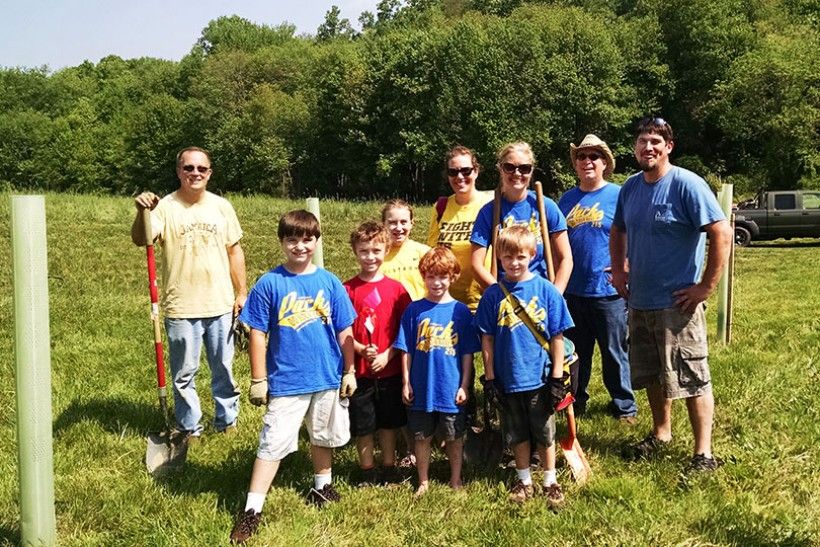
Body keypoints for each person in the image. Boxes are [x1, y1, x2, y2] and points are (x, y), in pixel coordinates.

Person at [610, 117, 732, 473]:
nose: (648, 147)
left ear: (668, 147)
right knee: (651, 374)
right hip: (640, 300)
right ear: (635, 147)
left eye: (655, 141)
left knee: (692, 376)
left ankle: (703, 454)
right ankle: (661, 433)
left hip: (678, 303)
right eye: (642, 141)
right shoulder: (630, 187)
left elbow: (722, 233)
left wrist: (705, 287)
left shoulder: (687, 184)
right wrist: (618, 271)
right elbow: (617, 230)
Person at [229, 210, 357, 544]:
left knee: (322, 435)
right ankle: (252, 509)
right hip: (287, 379)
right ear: (282, 242)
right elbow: (257, 332)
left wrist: (350, 370)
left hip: (327, 376)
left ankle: (322, 487)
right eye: (292, 239)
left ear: (316, 241)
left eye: (306, 239)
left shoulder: (329, 281)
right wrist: (259, 379)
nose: (300, 246)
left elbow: (345, 329)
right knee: (272, 443)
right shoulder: (271, 282)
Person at [131, 146, 246, 438]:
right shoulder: (164, 207)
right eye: (188, 168)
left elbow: (235, 251)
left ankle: (227, 422)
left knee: (223, 369)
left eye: (201, 169)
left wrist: (241, 292)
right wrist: (141, 212)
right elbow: (141, 239)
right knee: (184, 374)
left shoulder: (222, 206)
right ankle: (189, 427)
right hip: (181, 305)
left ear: (209, 173)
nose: (195, 173)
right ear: (179, 171)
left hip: (220, 303)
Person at [475, 226, 574, 506]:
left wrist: (557, 377)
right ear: (499, 259)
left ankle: (550, 480)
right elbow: (487, 340)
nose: (514, 262)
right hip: (508, 378)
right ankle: (524, 480)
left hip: (540, 378)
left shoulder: (547, 291)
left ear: (532, 254)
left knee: (544, 433)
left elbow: (557, 336)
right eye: (508, 257)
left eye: (520, 256)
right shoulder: (493, 295)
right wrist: (490, 378)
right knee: (516, 432)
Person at [558, 134, 637, 422]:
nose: (587, 161)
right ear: (576, 164)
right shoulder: (566, 199)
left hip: (609, 291)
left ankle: (624, 405)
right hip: (573, 291)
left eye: (594, 156)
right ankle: (576, 401)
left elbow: (635, 232)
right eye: (582, 157)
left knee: (615, 352)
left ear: (605, 162)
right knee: (577, 355)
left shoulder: (619, 195)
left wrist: (628, 263)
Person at [394, 247, 480, 497]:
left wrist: (465, 384)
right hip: (422, 386)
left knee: (453, 436)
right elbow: (406, 349)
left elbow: (467, 353)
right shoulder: (414, 311)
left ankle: (455, 478)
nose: (436, 282)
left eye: (442, 276)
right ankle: (423, 481)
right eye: (431, 276)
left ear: (453, 277)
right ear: (423, 276)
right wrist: (406, 382)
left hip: (450, 387)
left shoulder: (461, 312)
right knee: (421, 437)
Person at [343, 221, 412, 485]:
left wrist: (387, 355)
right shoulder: (347, 289)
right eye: (364, 251)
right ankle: (367, 470)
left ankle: (389, 466)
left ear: (385, 250)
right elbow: (342, 330)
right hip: (360, 372)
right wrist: (360, 349)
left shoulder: (397, 290)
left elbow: (406, 332)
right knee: (364, 424)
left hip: (390, 369)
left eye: (376, 250)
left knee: (388, 423)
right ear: (354, 251)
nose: (370, 257)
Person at [470, 141, 572, 292]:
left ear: (531, 171)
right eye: (510, 167)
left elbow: (566, 259)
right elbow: (476, 264)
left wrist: (555, 296)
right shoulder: (489, 211)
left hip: (541, 294)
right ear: (501, 169)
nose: (517, 173)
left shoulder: (545, 206)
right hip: (505, 294)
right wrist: (499, 294)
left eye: (524, 168)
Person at [426, 145, 493, 312]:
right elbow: (432, 253)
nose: (460, 176)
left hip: (484, 302)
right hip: (447, 301)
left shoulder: (491, 203)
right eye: (453, 172)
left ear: (476, 171)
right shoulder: (441, 207)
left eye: (466, 170)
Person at [381, 199, 431, 301]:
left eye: (403, 222)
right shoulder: (376, 256)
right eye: (392, 223)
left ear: (411, 223)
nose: (399, 228)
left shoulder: (425, 253)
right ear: (383, 224)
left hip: (421, 315)